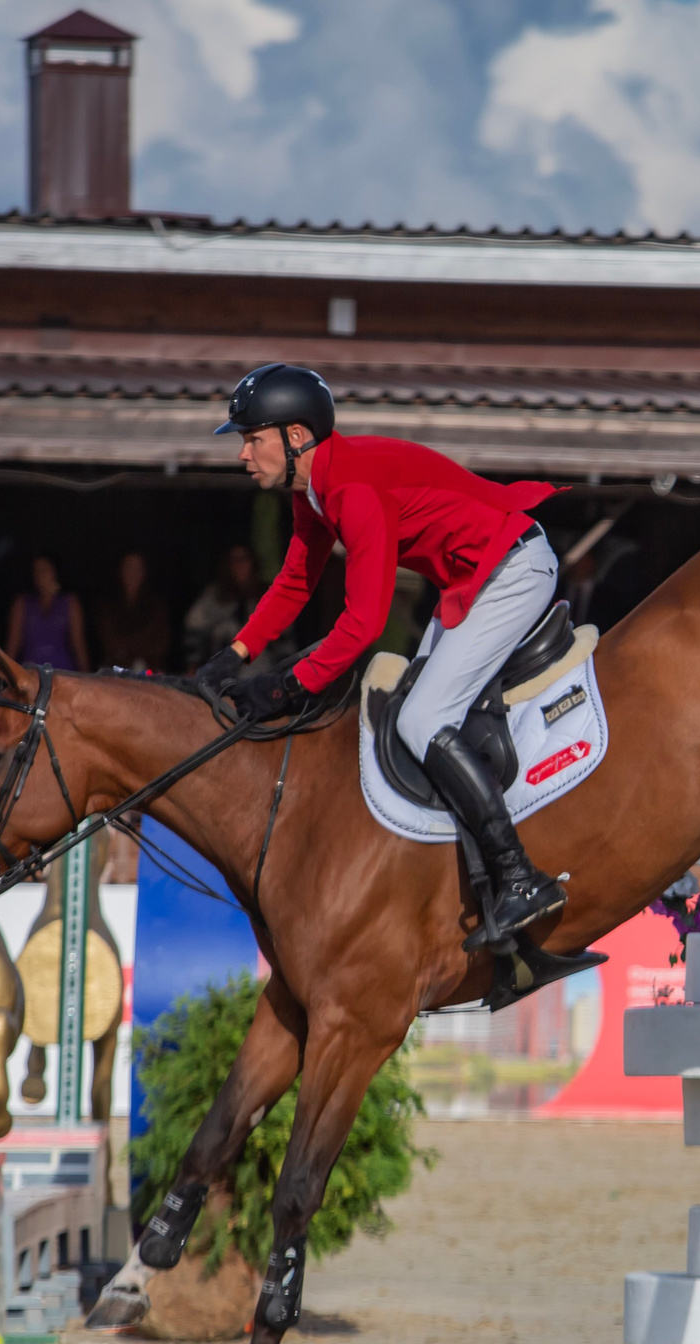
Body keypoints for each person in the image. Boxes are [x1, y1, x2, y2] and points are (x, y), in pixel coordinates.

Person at [199, 362, 568, 947]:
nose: (244, 453)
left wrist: (290, 685)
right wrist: (236, 652)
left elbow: (364, 623)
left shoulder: (351, 489)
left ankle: (520, 876)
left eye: (252, 438)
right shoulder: (315, 490)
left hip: (512, 572)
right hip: (473, 584)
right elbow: (296, 582)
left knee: (423, 718)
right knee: (406, 714)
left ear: (296, 438)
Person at [93, 551, 174, 672]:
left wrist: (138, 652)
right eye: (129, 568)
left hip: (150, 671)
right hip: (115, 671)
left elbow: (160, 641)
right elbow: (108, 640)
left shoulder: (156, 606)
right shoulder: (108, 606)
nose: (132, 573)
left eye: (137, 568)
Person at [6, 555, 89, 673]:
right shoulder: (22, 603)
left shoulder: (70, 602)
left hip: (63, 671)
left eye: (45, 569)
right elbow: (13, 645)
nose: (40, 574)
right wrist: (4, 677)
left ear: (55, 571)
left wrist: (87, 676)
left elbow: (78, 643)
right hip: (31, 673)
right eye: (36, 570)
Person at [184, 545, 259, 669]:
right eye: (235, 560)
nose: (239, 565)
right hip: (221, 671)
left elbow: (284, 642)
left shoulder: (265, 596)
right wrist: (194, 665)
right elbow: (193, 630)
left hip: (260, 671)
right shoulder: (214, 597)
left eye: (244, 559)